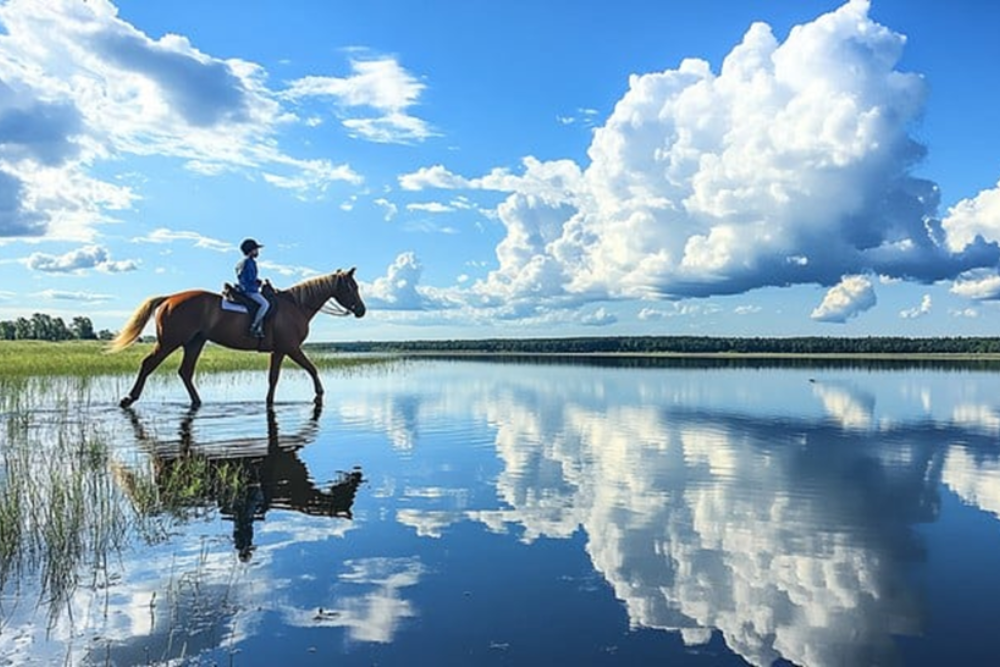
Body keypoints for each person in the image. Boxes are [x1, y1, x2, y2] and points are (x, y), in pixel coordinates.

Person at [236, 238, 269, 337]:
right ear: (251, 250)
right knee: (265, 304)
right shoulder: (250, 262)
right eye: (256, 249)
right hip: (250, 290)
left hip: (243, 288)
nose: (257, 252)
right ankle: (254, 327)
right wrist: (260, 283)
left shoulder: (241, 263)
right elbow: (250, 279)